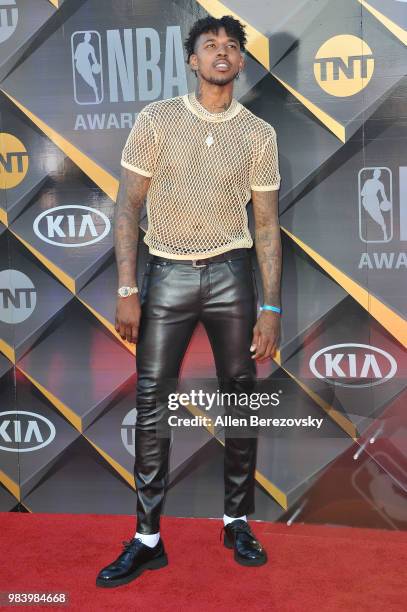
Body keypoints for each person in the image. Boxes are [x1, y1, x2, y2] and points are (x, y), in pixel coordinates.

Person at [96, 14, 282, 588]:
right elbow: (128, 208)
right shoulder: (156, 120)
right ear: (192, 60)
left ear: (242, 63)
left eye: (231, 47)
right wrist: (128, 288)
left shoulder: (258, 133)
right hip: (167, 275)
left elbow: (268, 226)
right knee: (152, 403)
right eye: (210, 46)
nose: (221, 54)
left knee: (240, 401)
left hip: (231, 275)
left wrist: (270, 307)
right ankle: (147, 538)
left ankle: (236, 520)